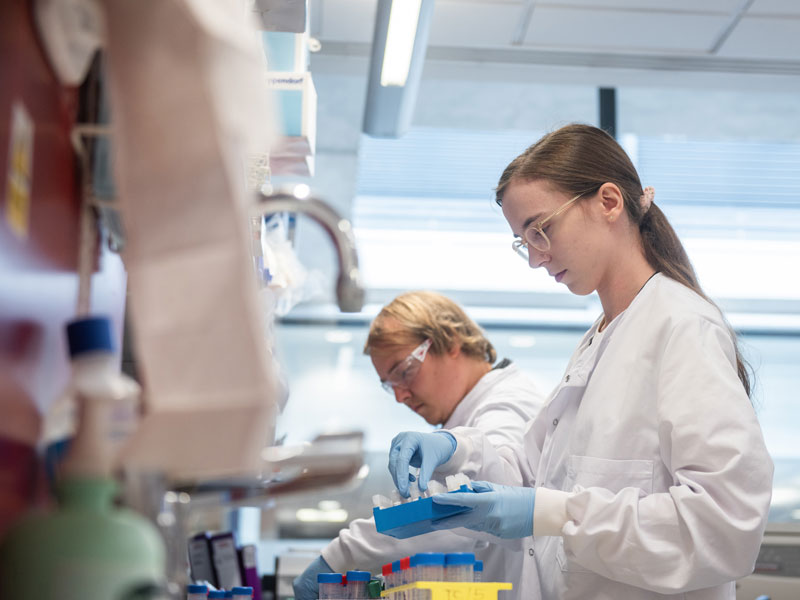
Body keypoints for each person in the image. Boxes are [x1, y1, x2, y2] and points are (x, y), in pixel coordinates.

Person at [387, 124, 773, 600]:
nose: (534, 258)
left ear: (609, 202)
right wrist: (457, 449)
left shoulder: (682, 327)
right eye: (523, 240)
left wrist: (552, 514)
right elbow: (537, 478)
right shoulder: (601, 337)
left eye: (541, 230)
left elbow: (723, 526)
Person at [293, 291, 545, 599]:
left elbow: (478, 501)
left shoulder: (507, 405)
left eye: (404, 372)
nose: (400, 396)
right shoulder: (470, 412)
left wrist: (338, 557)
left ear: (451, 341)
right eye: (390, 385)